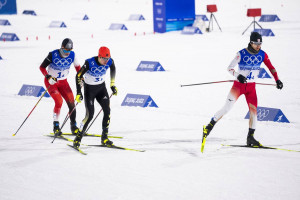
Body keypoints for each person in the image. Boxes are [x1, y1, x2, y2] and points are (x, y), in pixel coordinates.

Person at [203, 32, 283, 147]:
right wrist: (237, 75)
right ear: (251, 42)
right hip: (238, 87)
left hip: (251, 88)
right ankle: (208, 127)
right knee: (226, 108)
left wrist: (277, 80)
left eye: (260, 44)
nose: (258, 46)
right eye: (256, 44)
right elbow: (229, 68)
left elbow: (271, 68)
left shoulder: (262, 54)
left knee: (254, 113)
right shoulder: (241, 54)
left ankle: (250, 138)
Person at [73, 46, 118, 148]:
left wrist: (112, 84)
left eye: (108, 59)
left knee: (107, 111)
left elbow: (113, 68)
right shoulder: (89, 62)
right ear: (99, 56)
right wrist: (79, 92)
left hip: (101, 89)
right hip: (90, 91)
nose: (106, 61)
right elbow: (78, 75)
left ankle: (104, 138)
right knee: (89, 116)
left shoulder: (110, 61)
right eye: (104, 59)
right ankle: (78, 138)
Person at [39, 38, 81, 136]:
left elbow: (78, 69)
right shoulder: (53, 54)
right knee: (59, 101)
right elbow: (42, 67)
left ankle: (73, 126)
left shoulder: (72, 55)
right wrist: (48, 76)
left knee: (71, 103)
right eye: (65, 50)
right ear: (62, 47)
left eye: (69, 51)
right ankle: (56, 127)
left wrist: (82, 78)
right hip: (51, 82)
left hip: (63, 82)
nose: (67, 53)